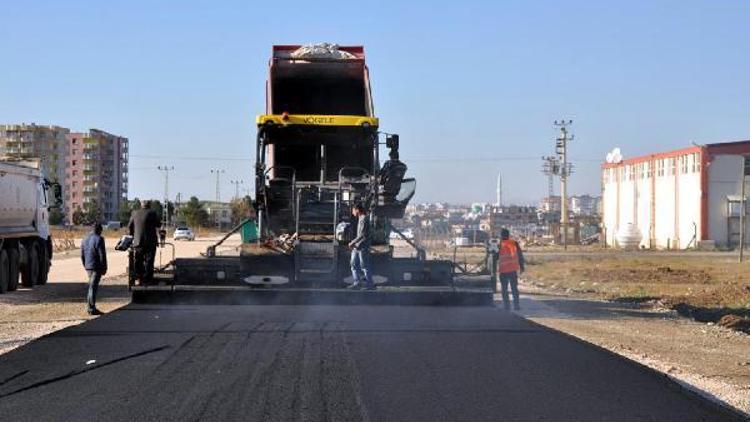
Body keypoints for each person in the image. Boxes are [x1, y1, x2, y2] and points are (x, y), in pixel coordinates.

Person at [128, 200, 161, 285]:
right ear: (149, 206)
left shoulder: (134, 213)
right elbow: (158, 224)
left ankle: (139, 278)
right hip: (150, 242)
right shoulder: (152, 213)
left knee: (138, 260)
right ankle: (148, 279)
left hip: (138, 241)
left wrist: (133, 236)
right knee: (149, 261)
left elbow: (130, 226)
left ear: (141, 205)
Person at [81, 223, 107, 315]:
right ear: (99, 230)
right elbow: (102, 255)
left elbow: (82, 255)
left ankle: (90, 307)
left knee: (91, 286)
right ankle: (91, 308)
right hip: (96, 267)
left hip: (88, 266)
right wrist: (104, 267)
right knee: (93, 287)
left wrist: (85, 265)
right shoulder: (99, 239)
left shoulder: (84, 239)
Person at [348, 203, 375, 290]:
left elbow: (362, 235)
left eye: (353, 210)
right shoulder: (361, 218)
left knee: (364, 266)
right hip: (357, 246)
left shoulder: (363, 219)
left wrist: (352, 242)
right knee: (353, 265)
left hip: (362, 247)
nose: (352, 212)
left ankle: (370, 285)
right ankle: (357, 282)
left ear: (357, 210)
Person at [498, 228, 525, 310]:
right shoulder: (514, 243)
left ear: (501, 235)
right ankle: (516, 305)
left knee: (504, 289)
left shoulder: (499, 244)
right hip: (513, 269)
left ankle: (506, 306)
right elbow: (520, 255)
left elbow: (494, 257)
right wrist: (522, 266)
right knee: (514, 288)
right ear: (508, 235)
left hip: (503, 270)